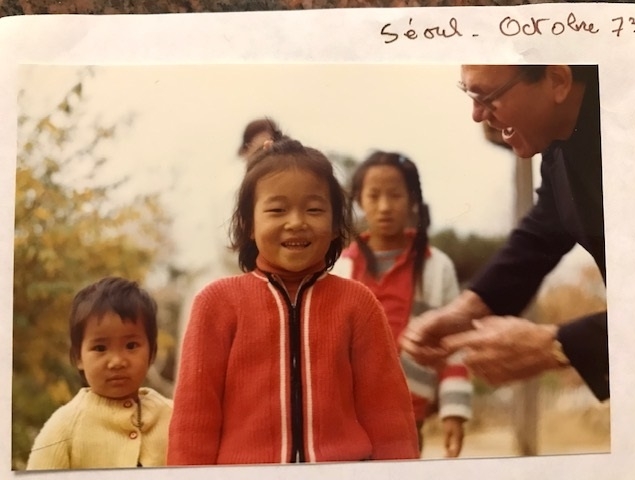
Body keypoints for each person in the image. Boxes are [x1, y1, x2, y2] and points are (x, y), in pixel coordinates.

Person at [167, 136, 419, 465]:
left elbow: (389, 416)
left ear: (334, 225)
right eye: (277, 209)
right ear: (249, 225)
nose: (296, 222)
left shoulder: (358, 303)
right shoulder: (216, 304)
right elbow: (193, 420)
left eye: (314, 209)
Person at [401, 65, 608, 401]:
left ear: (558, 80)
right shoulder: (561, 142)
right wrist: (468, 309)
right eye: (469, 94)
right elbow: (544, 230)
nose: (476, 115)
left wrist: (557, 345)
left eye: (487, 97)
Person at [333, 151, 472, 458]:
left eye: (395, 195)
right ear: (359, 200)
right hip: (346, 417)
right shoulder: (340, 269)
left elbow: (454, 343)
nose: (384, 206)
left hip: (408, 415)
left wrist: (454, 410)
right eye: (374, 195)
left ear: (412, 200)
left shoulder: (437, 268)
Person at [26, 277, 173, 469]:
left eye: (131, 345)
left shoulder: (173, 416)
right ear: (78, 357)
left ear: (152, 353)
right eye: (100, 348)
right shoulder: (63, 427)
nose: (117, 361)